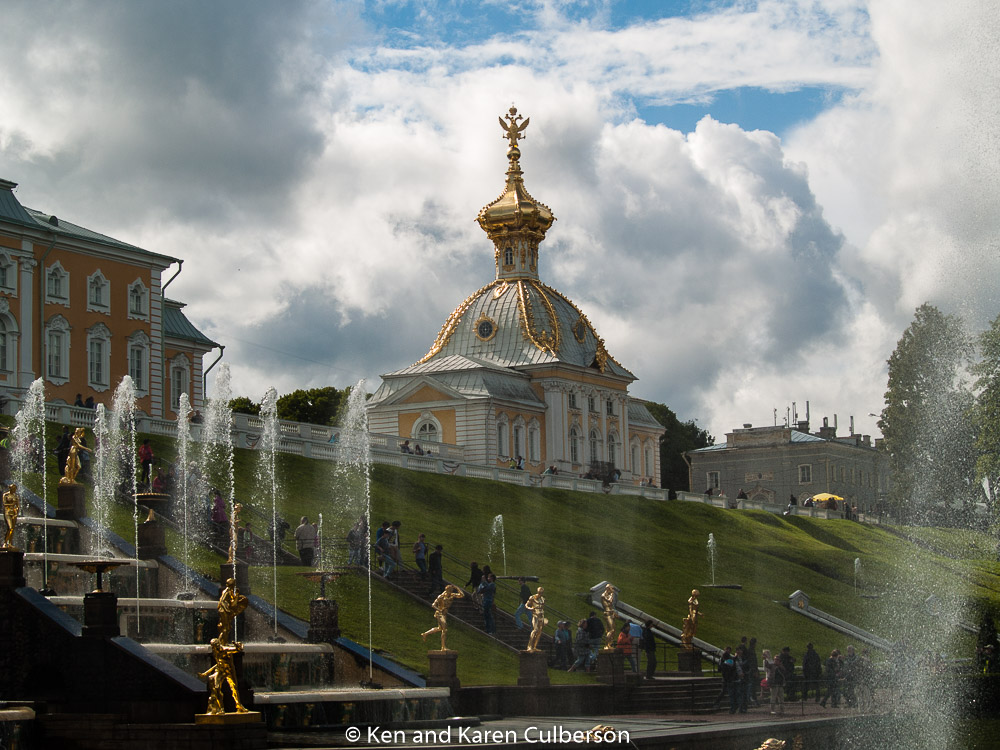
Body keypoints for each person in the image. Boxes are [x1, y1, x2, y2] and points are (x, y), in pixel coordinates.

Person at [421, 584, 465, 650]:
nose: (450, 592)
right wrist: (439, 609)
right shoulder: (441, 597)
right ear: (446, 590)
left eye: (451, 591)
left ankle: (425, 634)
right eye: (449, 591)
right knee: (444, 629)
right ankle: (443, 647)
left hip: (444, 614)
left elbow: (462, 595)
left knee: (440, 628)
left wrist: (457, 588)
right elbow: (433, 605)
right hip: (439, 614)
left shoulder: (452, 595)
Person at [525, 587, 547, 652]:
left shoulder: (543, 599)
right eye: (540, 592)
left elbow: (542, 608)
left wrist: (544, 619)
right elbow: (526, 605)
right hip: (535, 615)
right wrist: (530, 608)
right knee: (535, 630)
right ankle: (529, 646)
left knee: (539, 632)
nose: (540, 594)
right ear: (537, 592)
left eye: (542, 593)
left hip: (541, 616)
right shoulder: (532, 597)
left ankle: (534, 646)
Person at [2, 483, 18, 550]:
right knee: (10, 527)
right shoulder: (5, 495)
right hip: (7, 512)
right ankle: (5, 543)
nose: (14, 490)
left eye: (15, 489)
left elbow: (17, 506)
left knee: (12, 529)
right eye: (13, 489)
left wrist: (16, 513)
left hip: (13, 513)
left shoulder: (15, 496)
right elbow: (4, 504)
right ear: (10, 488)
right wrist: (12, 504)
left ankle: (10, 543)